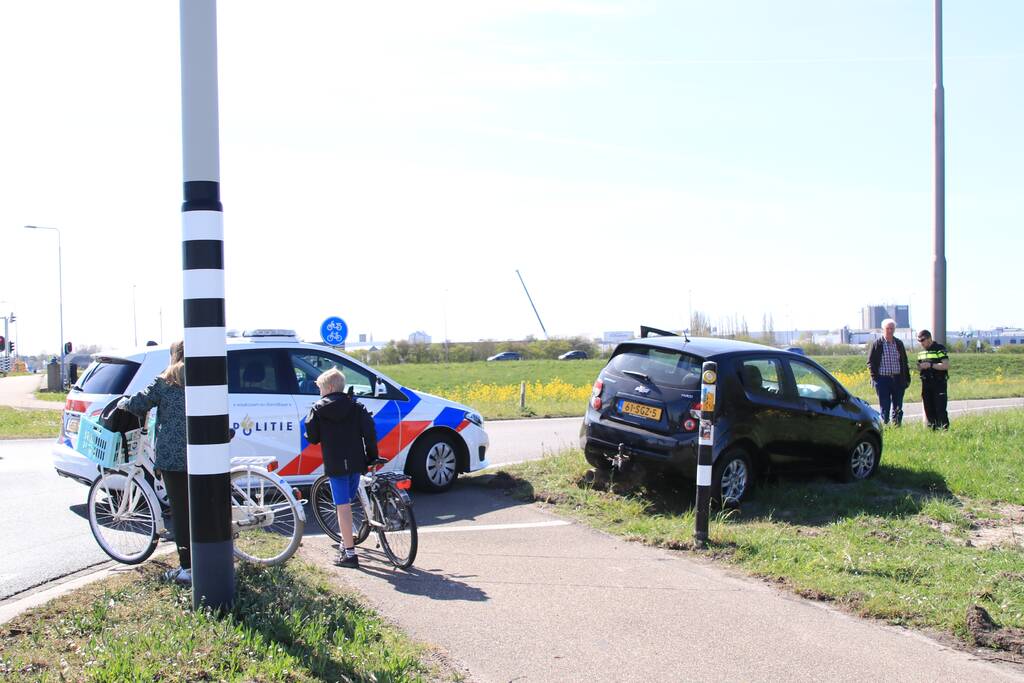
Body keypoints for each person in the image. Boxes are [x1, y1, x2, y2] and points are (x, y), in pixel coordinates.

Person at [118, 340, 190, 584]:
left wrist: (123, 403)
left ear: (174, 355)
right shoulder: (206, 375)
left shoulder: (166, 379)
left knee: (181, 512)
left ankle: (187, 568)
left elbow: (139, 403)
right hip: (205, 453)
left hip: (174, 455)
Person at [305, 367, 378, 568]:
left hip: (336, 463)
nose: (319, 392)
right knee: (349, 499)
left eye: (320, 388)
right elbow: (369, 432)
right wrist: (372, 456)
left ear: (328, 388)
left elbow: (312, 438)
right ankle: (349, 539)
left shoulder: (318, 409)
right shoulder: (356, 406)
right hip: (356, 461)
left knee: (342, 506)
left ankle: (350, 554)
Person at [867, 319, 911, 426]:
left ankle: (897, 426)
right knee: (885, 405)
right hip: (882, 379)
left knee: (898, 405)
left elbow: (904, 362)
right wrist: (875, 378)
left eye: (892, 328)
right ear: (883, 329)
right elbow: (870, 362)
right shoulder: (877, 344)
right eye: (888, 328)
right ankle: (885, 426)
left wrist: (907, 378)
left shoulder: (899, 344)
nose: (890, 331)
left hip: (897, 379)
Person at [916, 329, 950, 429]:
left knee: (940, 409)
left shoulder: (939, 348)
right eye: (919, 341)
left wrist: (930, 365)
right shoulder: (921, 353)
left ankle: (944, 430)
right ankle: (933, 431)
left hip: (938, 383)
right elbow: (919, 366)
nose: (921, 343)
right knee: (928, 409)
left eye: (922, 340)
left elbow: (946, 365)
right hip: (926, 383)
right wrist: (920, 367)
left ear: (929, 338)